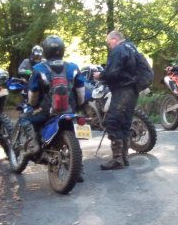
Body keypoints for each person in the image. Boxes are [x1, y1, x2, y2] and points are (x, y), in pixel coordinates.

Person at [18, 36, 86, 162]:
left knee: (25, 118)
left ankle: (36, 146)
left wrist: (33, 105)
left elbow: (33, 96)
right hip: (69, 109)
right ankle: (78, 167)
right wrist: (79, 105)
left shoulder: (39, 68)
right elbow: (81, 92)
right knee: (72, 129)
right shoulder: (73, 67)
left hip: (47, 110)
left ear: (45, 51)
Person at [94, 30, 138, 170]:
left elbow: (113, 72)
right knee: (124, 123)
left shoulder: (118, 50)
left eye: (109, 43)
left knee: (112, 122)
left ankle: (117, 159)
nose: (109, 46)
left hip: (122, 90)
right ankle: (124, 157)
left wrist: (100, 75)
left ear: (114, 39)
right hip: (132, 89)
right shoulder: (131, 48)